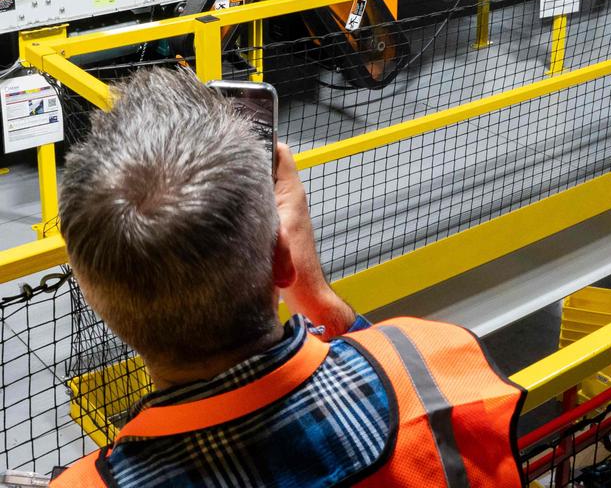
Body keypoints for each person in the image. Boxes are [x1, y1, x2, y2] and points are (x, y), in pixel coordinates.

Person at [53, 67, 525, 487]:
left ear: (96, 299)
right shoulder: (436, 367)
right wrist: (313, 293)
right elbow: (381, 365)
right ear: (282, 256)